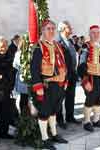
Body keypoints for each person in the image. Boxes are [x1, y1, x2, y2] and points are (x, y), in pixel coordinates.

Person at [30, 19, 68, 150]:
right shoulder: (38, 47)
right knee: (45, 112)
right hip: (46, 85)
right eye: (48, 28)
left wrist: (65, 80)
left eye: (53, 28)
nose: (51, 31)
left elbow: (63, 63)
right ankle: (45, 138)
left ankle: (54, 134)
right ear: (43, 31)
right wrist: (38, 87)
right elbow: (34, 69)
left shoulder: (58, 45)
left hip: (59, 84)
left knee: (54, 111)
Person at [78, 25, 100, 132]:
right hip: (92, 78)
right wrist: (85, 80)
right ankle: (86, 122)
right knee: (90, 100)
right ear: (89, 34)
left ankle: (96, 120)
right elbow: (82, 64)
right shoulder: (86, 46)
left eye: (97, 32)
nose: (96, 35)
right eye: (93, 33)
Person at [57, 21, 81, 129]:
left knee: (71, 97)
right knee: (60, 98)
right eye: (69, 27)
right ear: (62, 29)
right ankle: (60, 120)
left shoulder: (70, 41)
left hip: (72, 74)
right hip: (63, 76)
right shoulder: (58, 42)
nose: (71, 28)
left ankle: (70, 116)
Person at [13, 37, 28, 113]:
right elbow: (15, 65)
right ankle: (25, 116)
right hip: (23, 78)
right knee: (24, 98)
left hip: (22, 77)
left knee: (24, 98)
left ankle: (25, 116)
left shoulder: (18, 53)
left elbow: (15, 65)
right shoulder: (19, 53)